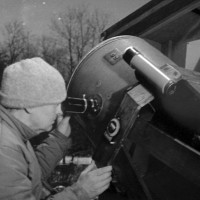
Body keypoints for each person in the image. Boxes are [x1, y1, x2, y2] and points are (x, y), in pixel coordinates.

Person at [0, 57, 112, 200]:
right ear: (28, 104)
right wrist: (80, 193)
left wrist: (58, 138)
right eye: (55, 104)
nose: (59, 111)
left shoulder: (11, 134)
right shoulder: (4, 149)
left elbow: (29, 175)